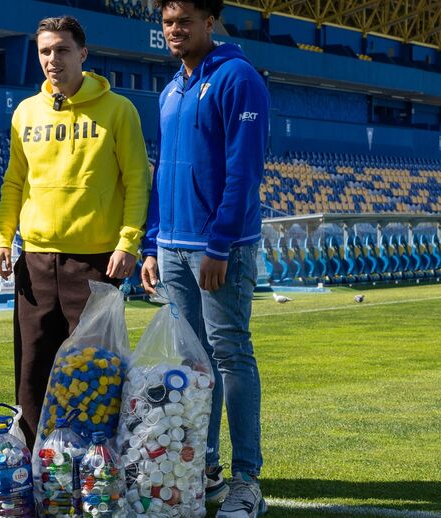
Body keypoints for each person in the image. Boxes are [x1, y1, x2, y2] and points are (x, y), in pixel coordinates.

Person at [0, 16, 151, 446]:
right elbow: (14, 181)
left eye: (62, 50)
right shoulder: (25, 112)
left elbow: (138, 180)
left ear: (83, 53)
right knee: (31, 368)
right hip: (37, 259)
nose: (52, 59)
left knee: (96, 369)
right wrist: (3, 238)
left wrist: (128, 241)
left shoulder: (119, 110)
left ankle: (100, 459)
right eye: (45, 51)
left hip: (97, 262)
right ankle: (31, 460)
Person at [139, 1, 269, 516]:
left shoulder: (239, 78)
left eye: (184, 22)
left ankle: (246, 480)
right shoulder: (172, 89)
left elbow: (244, 171)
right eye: (168, 22)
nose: (174, 31)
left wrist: (219, 244)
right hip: (172, 246)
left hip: (221, 249)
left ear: (208, 22)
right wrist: (153, 242)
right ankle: (203, 465)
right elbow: (163, 170)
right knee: (193, 366)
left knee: (230, 354)